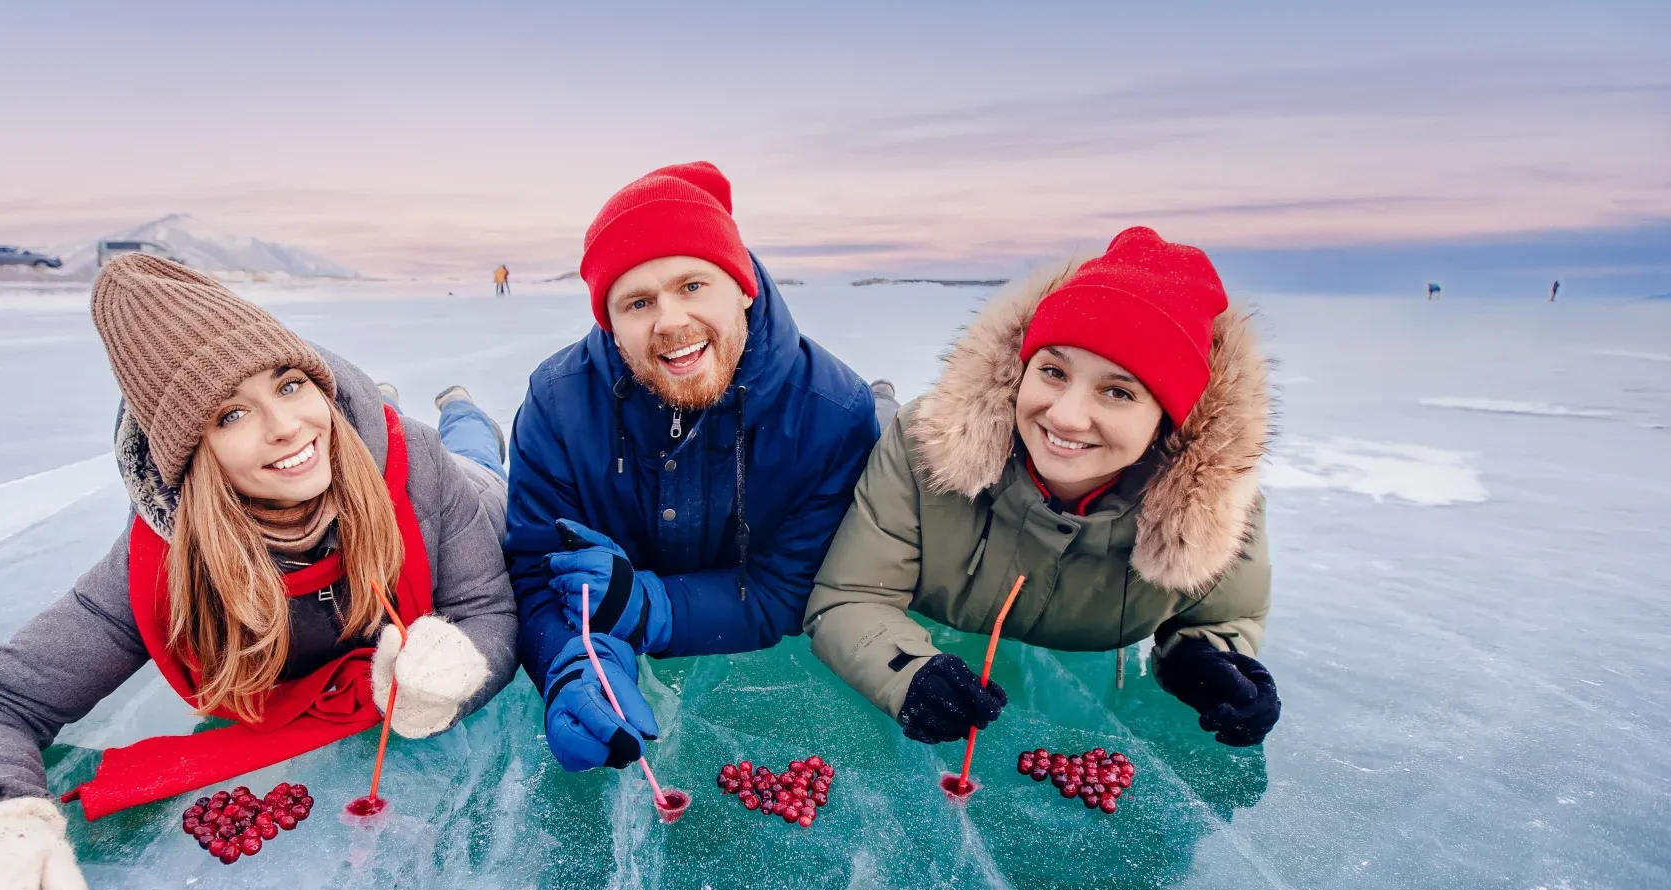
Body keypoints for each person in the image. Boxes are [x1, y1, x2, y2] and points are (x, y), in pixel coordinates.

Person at [0, 255, 517, 890]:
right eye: (231, 414)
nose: (285, 426)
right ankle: (380, 405)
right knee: (344, 440)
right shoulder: (160, 568)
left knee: (474, 447)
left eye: (290, 385)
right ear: (191, 450)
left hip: (471, 491)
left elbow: (487, 609)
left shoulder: (417, 471)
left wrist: (460, 672)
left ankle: (456, 406)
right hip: (362, 451)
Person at [805, 227, 1279, 752]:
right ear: (1019, 370)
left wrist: (1206, 659)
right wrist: (904, 671)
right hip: (894, 437)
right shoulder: (925, 450)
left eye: (1118, 391)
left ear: (1172, 421)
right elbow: (851, 595)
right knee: (872, 419)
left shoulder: (1216, 509)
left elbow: (1226, 617)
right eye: (1053, 371)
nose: (1067, 415)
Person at [505, 161, 883, 772]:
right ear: (611, 322)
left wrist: (651, 607)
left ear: (743, 287)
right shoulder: (558, 402)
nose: (671, 321)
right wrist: (571, 662)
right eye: (638, 301)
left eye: (693, 286)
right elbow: (534, 566)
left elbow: (789, 587)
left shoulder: (832, 412)